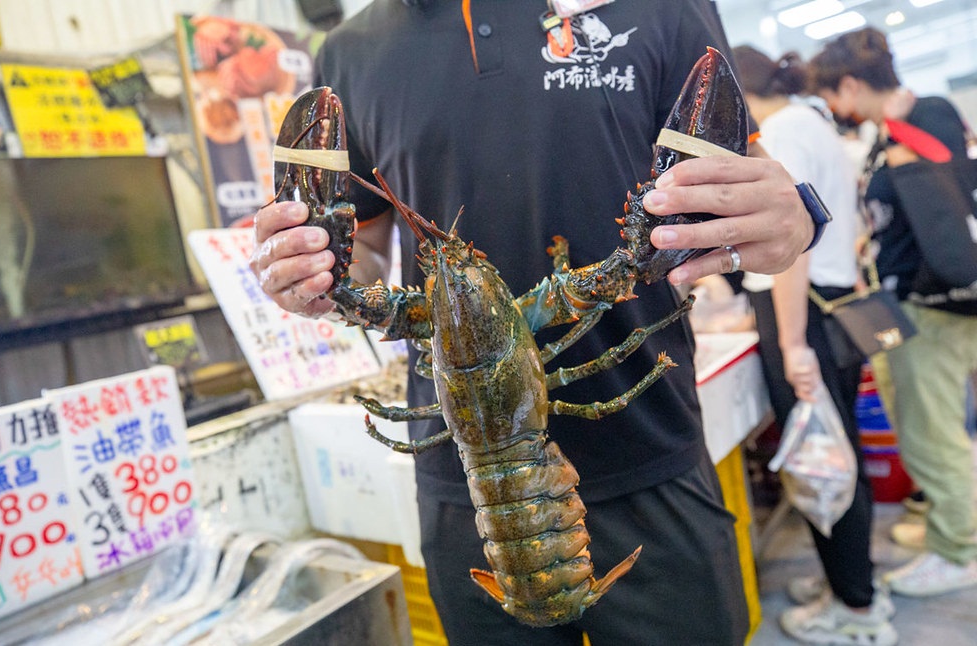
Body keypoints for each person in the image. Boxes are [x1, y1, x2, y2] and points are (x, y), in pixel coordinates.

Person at [252, 2, 817, 643]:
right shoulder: (351, 49)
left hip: (652, 455)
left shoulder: (660, 7)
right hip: (464, 491)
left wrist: (795, 222)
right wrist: (313, 278)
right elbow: (373, 253)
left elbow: (733, 194)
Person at [732, 45, 897, 645]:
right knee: (835, 450)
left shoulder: (785, 131)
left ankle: (856, 608)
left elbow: (792, 243)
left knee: (825, 459)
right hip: (830, 310)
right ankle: (850, 585)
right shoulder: (814, 123)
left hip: (804, 316)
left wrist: (795, 344)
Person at [810, 26, 977, 599]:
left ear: (852, 84)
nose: (834, 109)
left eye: (834, 95)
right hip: (916, 302)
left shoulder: (922, 116)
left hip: (934, 305)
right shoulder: (891, 133)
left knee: (932, 434)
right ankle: (949, 526)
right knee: (927, 427)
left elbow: (943, 207)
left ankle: (960, 550)